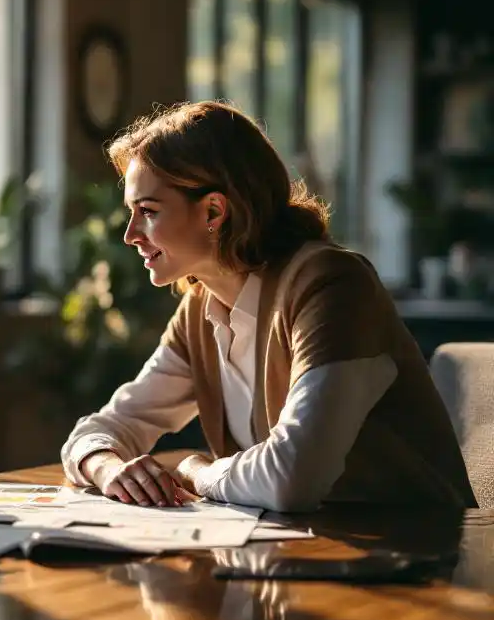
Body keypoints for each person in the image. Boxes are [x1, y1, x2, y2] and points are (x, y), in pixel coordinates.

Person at [61, 101, 476, 512]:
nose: (131, 234)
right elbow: (109, 426)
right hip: (306, 554)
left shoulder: (332, 286)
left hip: (425, 558)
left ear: (213, 210)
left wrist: (198, 470)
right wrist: (106, 467)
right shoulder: (201, 310)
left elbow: (291, 477)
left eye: (148, 212)